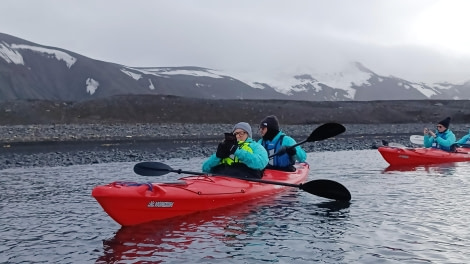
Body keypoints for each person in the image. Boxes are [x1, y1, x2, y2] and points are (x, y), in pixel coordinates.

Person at [202, 122, 269, 179]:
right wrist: (218, 156)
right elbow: (205, 168)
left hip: (246, 178)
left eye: (241, 133)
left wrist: (236, 151)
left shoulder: (256, 147)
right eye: (235, 134)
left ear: (248, 135)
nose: (238, 136)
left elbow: (260, 163)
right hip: (223, 178)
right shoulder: (226, 146)